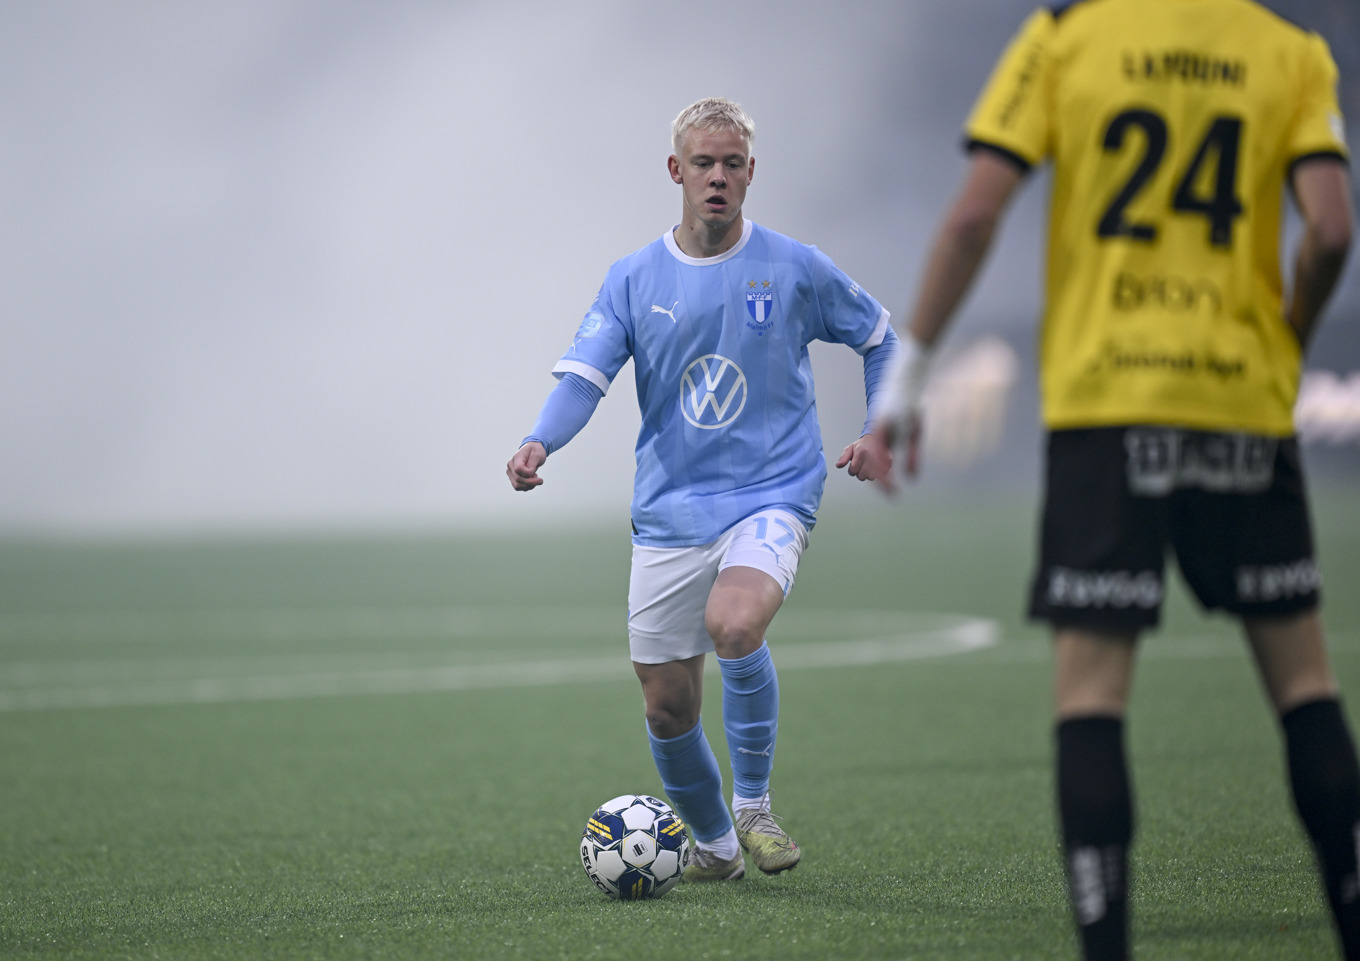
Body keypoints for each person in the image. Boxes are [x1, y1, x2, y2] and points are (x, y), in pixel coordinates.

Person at [872, 1, 1357, 958]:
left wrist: (910, 375)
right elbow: (1333, 230)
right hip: (1239, 405)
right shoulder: (1290, 48)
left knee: (1091, 697)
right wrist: (1282, 348)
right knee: (1305, 685)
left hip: (1107, 405)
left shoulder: (1064, 34)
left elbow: (975, 212)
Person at [507, 97, 895, 882]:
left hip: (774, 491)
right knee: (666, 706)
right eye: (704, 164)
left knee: (736, 623)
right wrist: (539, 438)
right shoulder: (633, 278)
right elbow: (585, 379)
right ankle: (717, 847)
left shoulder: (794, 267)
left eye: (733, 164)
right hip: (670, 513)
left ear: (752, 172)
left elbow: (884, 339)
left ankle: (753, 805)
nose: (718, 178)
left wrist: (882, 427)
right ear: (676, 172)